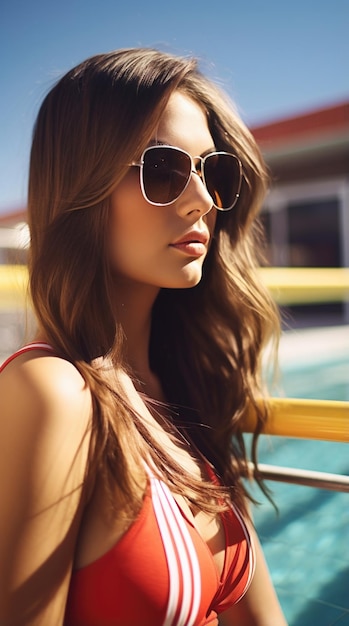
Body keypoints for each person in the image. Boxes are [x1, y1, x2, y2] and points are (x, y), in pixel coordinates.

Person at [0, 48, 287, 625]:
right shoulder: (53, 393)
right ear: (83, 185)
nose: (203, 199)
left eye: (213, 171)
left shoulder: (185, 388)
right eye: (163, 170)